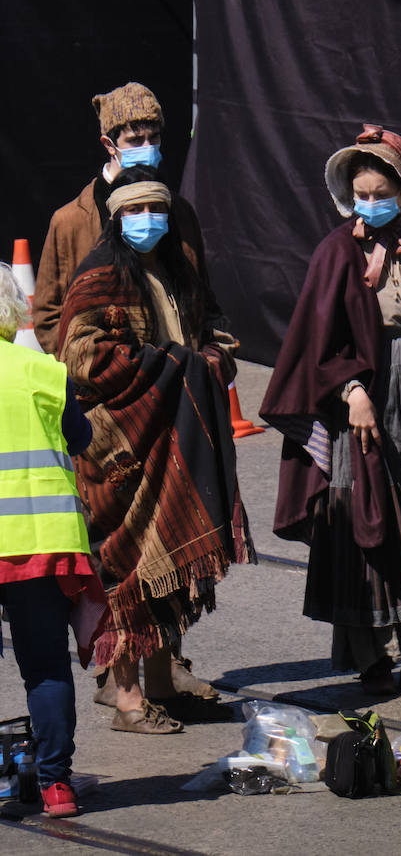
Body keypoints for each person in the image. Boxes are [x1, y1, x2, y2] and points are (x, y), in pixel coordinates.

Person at [260, 125, 401, 694]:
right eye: (363, 194)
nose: (373, 203)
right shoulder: (336, 252)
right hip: (364, 400)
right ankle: (372, 656)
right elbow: (315, 341)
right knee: (366, 513)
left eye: (383, 192)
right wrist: (351, 392)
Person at [32, 81, 223, 708]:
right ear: (108, 141)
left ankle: (167, 665)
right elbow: (52, 316)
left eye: (153, 137)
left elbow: (198, 301)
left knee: (169, 540)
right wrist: (115, 371)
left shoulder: (176, 213)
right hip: (111, 415)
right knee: (121, 551)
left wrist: (208, 355)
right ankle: (123, 683)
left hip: (174, 409)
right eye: (133, 137)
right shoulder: (73, 221)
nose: (145, 147)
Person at [56, 170, 254, 734]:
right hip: (117, 448)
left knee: (168, 569)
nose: (149, 220)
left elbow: (214, 328)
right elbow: (81, 357)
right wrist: (171, 366)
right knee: (122, 570)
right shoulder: (98, 276)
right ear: (117, 217)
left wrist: (210, 358)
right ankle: (127, 699)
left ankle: (165, 684)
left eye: (157, 209)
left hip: (175, 439)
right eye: (136, 210)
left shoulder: (176, 270)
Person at [0, 263, 108, 817]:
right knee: (44, 666)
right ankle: (55, 785)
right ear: (12, 309)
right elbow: (82, 437)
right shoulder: (41, 371)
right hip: (39, 539)